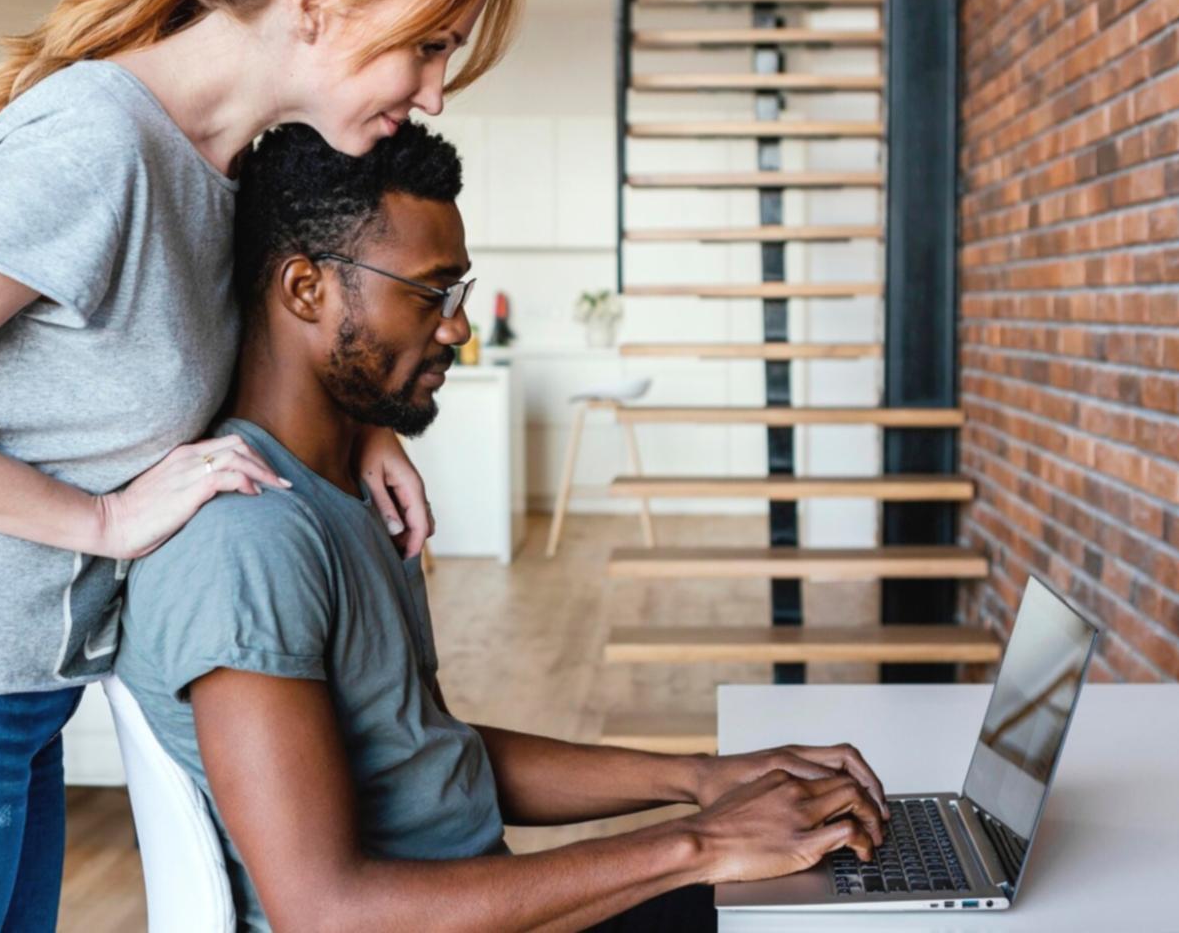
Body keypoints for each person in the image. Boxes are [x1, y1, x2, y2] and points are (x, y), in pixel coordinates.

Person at [0, 0, 522, 928]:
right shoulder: (97, 144)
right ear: (314, 4)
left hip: (4, 700)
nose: (433, 92)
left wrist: (369, 425)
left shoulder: (215, 168)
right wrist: (103, 522)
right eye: (425, 47)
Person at [116, 122, 891, 933]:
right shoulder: (248, 543)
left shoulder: (342, 492)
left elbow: (424, 753)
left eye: (457, 294)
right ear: (305, 289)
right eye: (427, 293)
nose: (455, 327)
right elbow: (326, 913)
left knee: (841, 885)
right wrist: (699, 844)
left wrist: (702, 778)